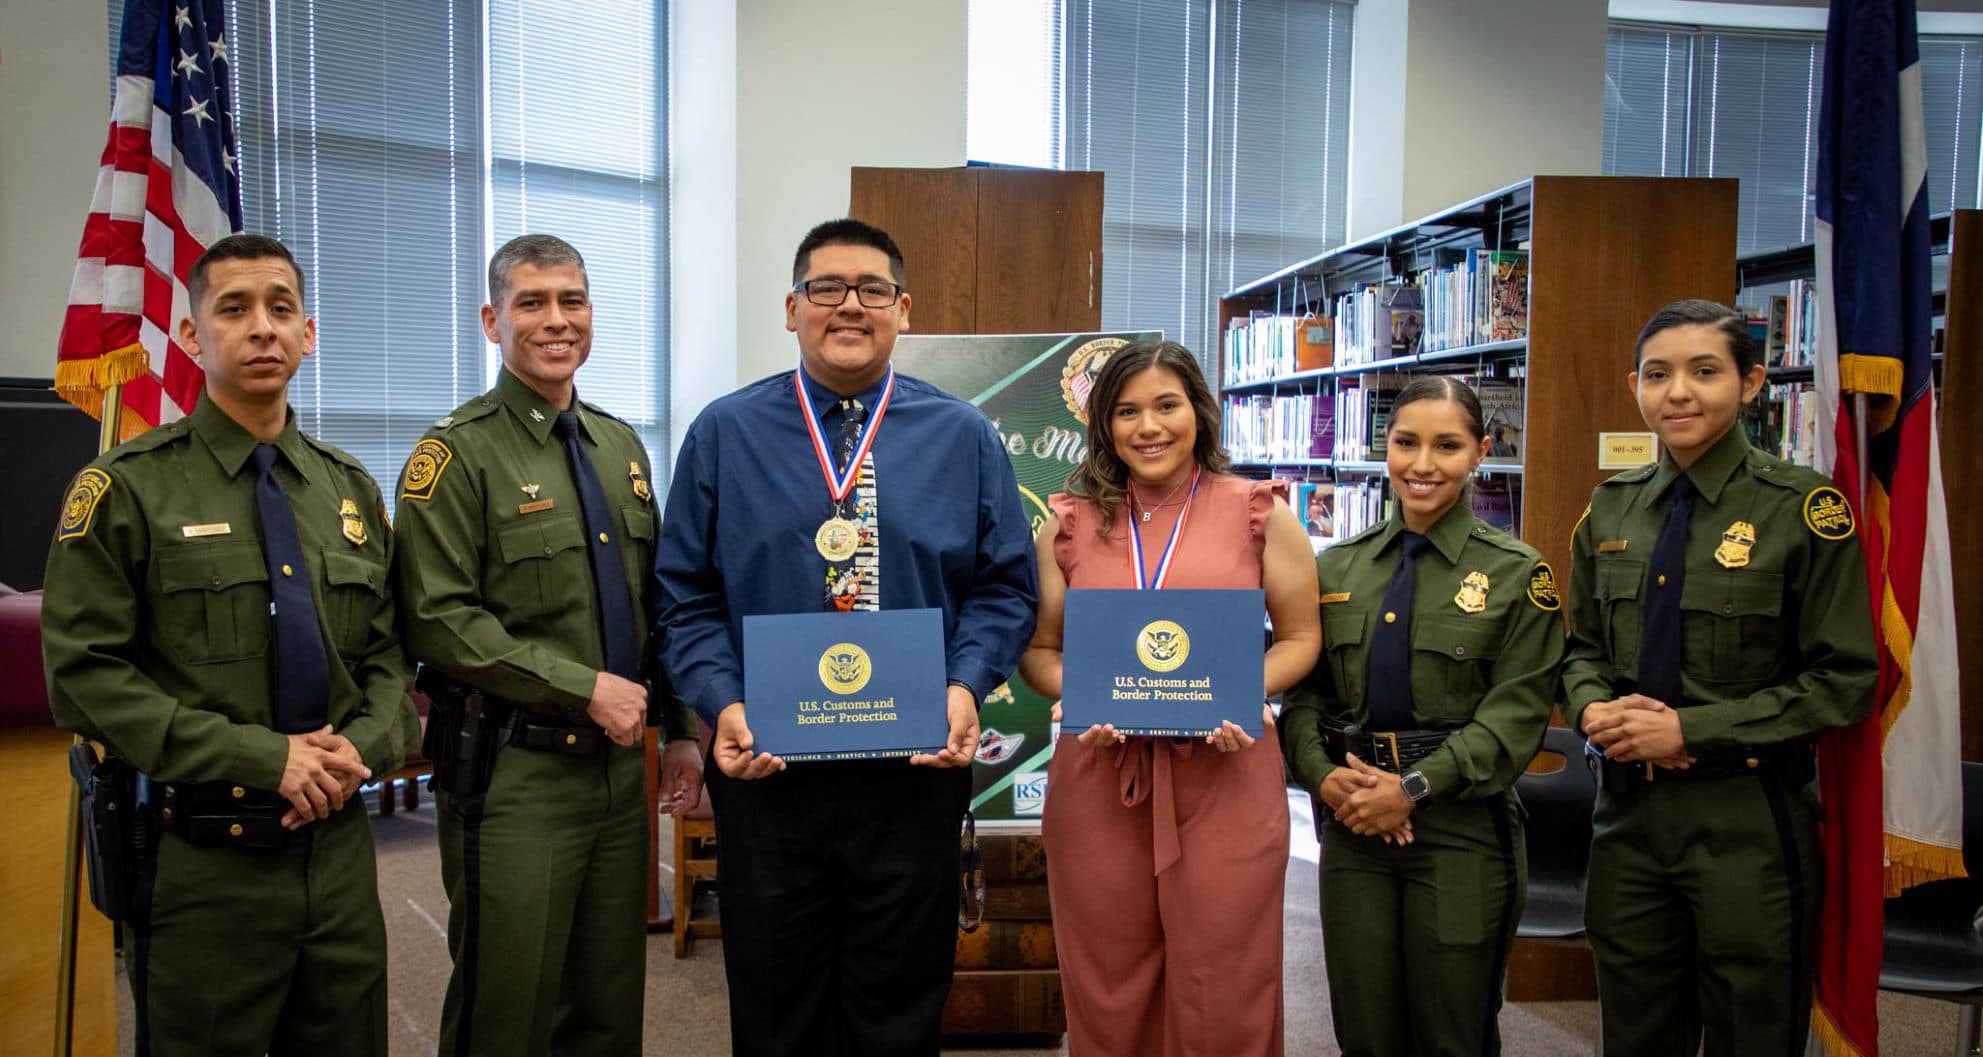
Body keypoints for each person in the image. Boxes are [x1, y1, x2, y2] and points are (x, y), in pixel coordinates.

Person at [654, 217, 1038, 1057]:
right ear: (791, 309)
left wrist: (965, 685)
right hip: (770, 771)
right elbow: (683, 595)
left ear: (904, 308)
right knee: (775, 999)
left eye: (871, 289)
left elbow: (1007, 586)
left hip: (912, 775)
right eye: (826, 288)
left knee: (899, 1003)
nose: (849, 305)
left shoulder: (963, 435)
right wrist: (721, 703)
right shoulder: (724, 433)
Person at [41, 234, 419, 1057]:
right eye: (235, 309)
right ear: (189, 336)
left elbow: (390, 658)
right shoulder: (126, 489)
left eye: (281, 309)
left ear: (308, 333)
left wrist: (360, 747)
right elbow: (84, 678)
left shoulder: (348, 489)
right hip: (205, 861)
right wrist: (262, 757)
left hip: (339, 857)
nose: (261, 328)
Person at [392, 234, 703, 1057]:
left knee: (607, 1005)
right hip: (512, 773)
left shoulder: (618, 446)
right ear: (495, 319)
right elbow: (438, 616)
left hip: (614, 775)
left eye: (572, 300)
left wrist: (678, 732)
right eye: (532, 303)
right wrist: (582, 687)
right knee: (508, 1004)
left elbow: (653, 605)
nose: (555, 320)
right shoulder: (455, 454)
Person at [1563, 299, 1878, 1057]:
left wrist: (1688, 728)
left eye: (1704, 371)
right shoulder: (1609, 509)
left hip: (1746, 820)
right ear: (1632, 384)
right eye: (1657, 373)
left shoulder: (1803, 510)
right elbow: (1577, 648)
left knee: (1751, 1031)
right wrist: (1594, 711)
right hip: (1627, 821)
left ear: (1752, 382)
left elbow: (1843, 680)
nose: (1677, 392)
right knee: (1635, 1031)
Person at [1017, 340, 1321, 1057]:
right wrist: (1089, 694)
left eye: (1165, 405)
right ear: (1104, 425)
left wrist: (1236, 692)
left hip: (1226, 766)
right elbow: (1038, 654)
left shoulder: (1257, 512)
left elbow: (1301, 638)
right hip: (1099, 775)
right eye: (1126, 411)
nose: (1147, 426)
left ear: (1198, 412)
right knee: (1107, 979)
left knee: (1225, 980)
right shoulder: (1066, 522)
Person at [1279, 374, 1562, 1057]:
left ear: (1480, 451)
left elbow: (1513, 719)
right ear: (1385, 446)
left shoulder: (1517, 574)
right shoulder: (1338, 565)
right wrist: (1323, 778)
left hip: (1460, 829)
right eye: (1405, 442)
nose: (1422, 464)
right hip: (1352, 826)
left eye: (1447, 445)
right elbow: (1302, 698)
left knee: (1451, 1029)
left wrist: (1408, 789)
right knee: (1365, 1029)